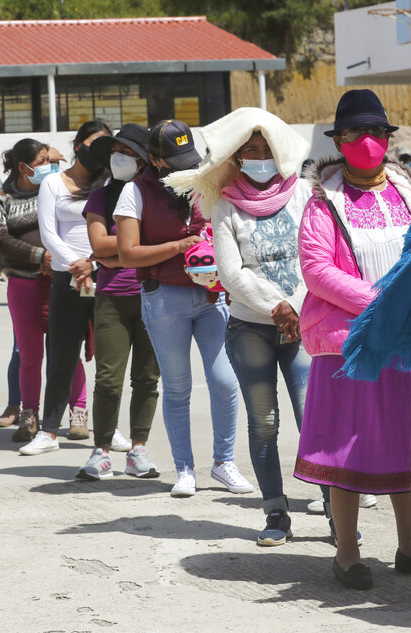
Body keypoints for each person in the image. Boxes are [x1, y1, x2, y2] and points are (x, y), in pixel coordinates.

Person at [292, 89, 411, 589]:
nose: (366, 141)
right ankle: (347, 552)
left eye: (376, 132)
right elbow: (317, 269)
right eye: (354, 133)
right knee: (349, 445)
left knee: (405, 440)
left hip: (407, 337)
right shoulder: (322, 202)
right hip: (352, 340)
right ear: (338, 141)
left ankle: (409, 546)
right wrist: (381, 306)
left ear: (388, 139)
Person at [166, 107, 316, 544]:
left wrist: (298, 307)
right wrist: (279, 308)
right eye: (248, 150)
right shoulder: (225, 204)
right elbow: (231, 274)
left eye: (264, 148)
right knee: (264, 423)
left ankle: (334, 510)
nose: (258, 156)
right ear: (235, 157)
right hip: (251, 328)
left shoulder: (306, 194)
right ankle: (275, 513)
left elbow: (319, 257)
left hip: (306, 324)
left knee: (314, 419)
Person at [116, 119, 251, 497]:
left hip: (212, 296)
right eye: (175, 160)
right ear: (155, 159)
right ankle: (185, 469)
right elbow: (128, 253)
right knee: (178, 387)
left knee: (224, 380)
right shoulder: (134, 191)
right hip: (164, 297)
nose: (185, 166)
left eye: (189, 158)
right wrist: (178, 247)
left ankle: (224, 463)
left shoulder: (207, 182)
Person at [73, 123, 161, 480]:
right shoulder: (100, 197)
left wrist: (123, 251)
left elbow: (153, 243)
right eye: (116, 152)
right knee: (108, 378)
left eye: (128, 152)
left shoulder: (158, 194)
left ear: (145, 160)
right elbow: (99, 246)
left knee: (147, 377)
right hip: (112, 297)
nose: (120, 158)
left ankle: (138, 449)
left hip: (154, 295)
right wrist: (134, 249)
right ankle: (101, 451)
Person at [20, 120, 111, 455]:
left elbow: (118, 230)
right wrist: (77, 266)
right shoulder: (53, 184)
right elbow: (49, 234)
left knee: (109, 359)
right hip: (66, 278)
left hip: (104, 275)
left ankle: (108, 428)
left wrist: (93, 264)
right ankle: (49, 432)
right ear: (77, 145)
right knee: (61, 356)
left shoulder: (111, 184)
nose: (97, 152)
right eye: (91, 143)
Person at [0, 138, 89, 444]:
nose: (51, 166)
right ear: (23, 167)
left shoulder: (61, 188)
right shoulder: (2, 198)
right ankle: (29, 415)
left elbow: (71, 228)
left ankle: (78, 413)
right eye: (43, 160)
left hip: (62, 280)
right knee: (29, 354)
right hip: (23, 283)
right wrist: (39, 256)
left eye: (50, 159)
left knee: (68, 351)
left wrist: (58, 258)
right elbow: (0, 238)